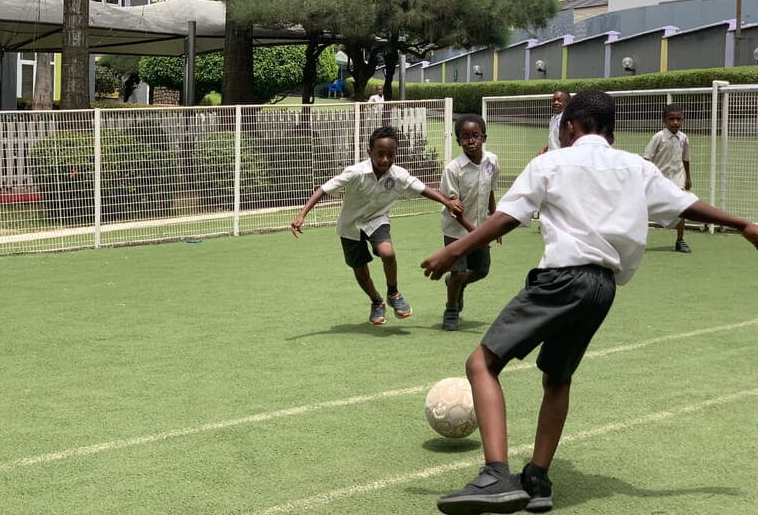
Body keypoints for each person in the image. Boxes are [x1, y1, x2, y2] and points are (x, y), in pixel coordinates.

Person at [421, 90, 758, 515]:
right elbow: (686, 205)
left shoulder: (551, 161)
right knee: (557, 378)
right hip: (602, 288)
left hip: (562, 278)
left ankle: (495, 475)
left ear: (568, 127)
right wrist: (744, 223)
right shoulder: (636, 166)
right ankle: (537, 479)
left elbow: (508, 216)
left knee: (481, 364)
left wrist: (453, 252)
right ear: (612, 134)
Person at [291, 126, 462, 325]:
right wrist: (302, 214)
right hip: (350, 226)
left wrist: (447, 202)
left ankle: (394, 293)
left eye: (390, 155)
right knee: (361, 273)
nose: (385, 160)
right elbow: (324, 189)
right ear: (369, 152)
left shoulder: (398, 175)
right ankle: (377, 302)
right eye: (380, 154)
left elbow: (422, 188)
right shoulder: (355, 173)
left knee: (388, 253)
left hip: (377, 220)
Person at [439, 114, 501, 331]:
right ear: (458, 141)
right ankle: (451, 309)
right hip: (456, 229)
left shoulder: (491, 161)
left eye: (475, 135)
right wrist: (476, 234)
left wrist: (495, 220)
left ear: (484, 137)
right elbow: (454, 209)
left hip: (481, 226)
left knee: (481, 270)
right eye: (465, 137)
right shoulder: (453, 169)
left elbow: (490, 189)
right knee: (457, 271)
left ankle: (455, 285)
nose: (471, 141)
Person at [644, 104, 693, 253]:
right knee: (644, 209)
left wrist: (688, 177)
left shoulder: (684, 138)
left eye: (679, 119)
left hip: (677, 179)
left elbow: (686, 158)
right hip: (659, 180)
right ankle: (636, 239)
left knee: (682, 208)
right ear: (664, 120)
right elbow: (647, 158)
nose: (675, 122)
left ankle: (680, 240)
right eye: (672, 119)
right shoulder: (658, 137)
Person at [538, 90, 570, 155]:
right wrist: (546, 149)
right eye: (554, 100)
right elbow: (555, 140)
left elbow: (568, 144)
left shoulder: (566, 120)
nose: (556, 102)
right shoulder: (553, 118)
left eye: (559, 100)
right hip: (552, 158)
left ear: (567, 103)